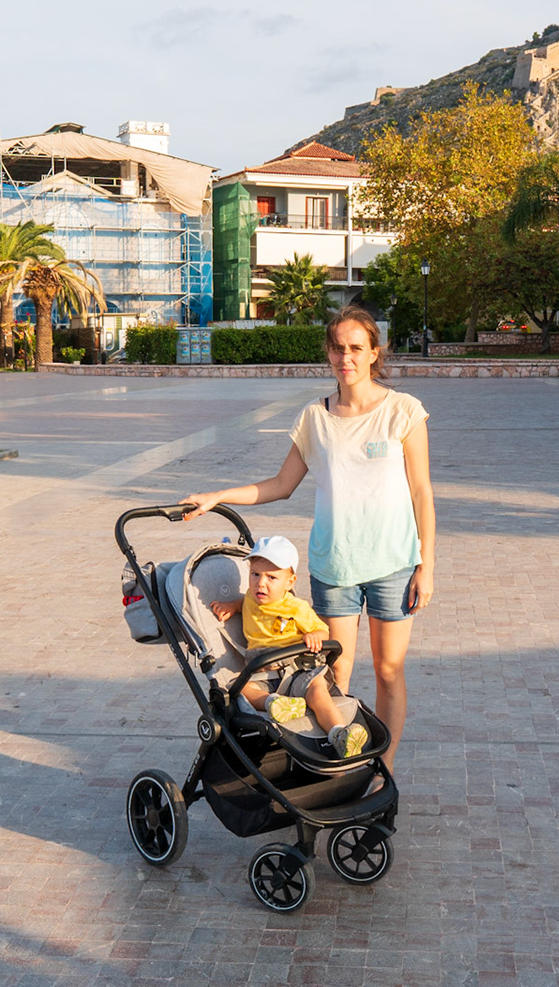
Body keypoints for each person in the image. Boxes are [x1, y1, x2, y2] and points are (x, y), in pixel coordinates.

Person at [181, 305, 434, 778]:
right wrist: (217, 496)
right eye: (337, 348)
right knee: (334, 675)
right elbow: (280, 485)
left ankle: (384, 770)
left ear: (374, 352)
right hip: (335, 567)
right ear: (328, 352)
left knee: (388, 671)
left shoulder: (403, 411)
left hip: (394, 564)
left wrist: (427, 566)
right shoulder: (315, 418)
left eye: (356, 348)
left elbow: (421, 491)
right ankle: (339, 767)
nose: (345, 357)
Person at [209, 535, 369, 759]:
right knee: (237, 689)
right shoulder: (250, 598)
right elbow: (243, 602)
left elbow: (322, 631)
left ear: (290, 582)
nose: (260, 583)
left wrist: (314, 635)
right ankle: (274, 703)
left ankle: (339, 733)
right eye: (255, 574)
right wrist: (231, 606)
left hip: (298, 670)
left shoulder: (296, 607)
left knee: (318, 693)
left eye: (272, 577)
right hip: (264, 673)